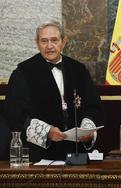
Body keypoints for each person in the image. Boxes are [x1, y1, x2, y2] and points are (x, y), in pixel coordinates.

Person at [4, 20, 103, 162]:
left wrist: (87, 131)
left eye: (54, 40)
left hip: (76, 152)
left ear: (63, 42)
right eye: (44, 41)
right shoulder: (23, 73)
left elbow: (93, 106)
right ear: (37, 44)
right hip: (39, 153)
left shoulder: (78, 69)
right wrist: (47, 132)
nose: (49, 46)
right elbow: (14, 114)